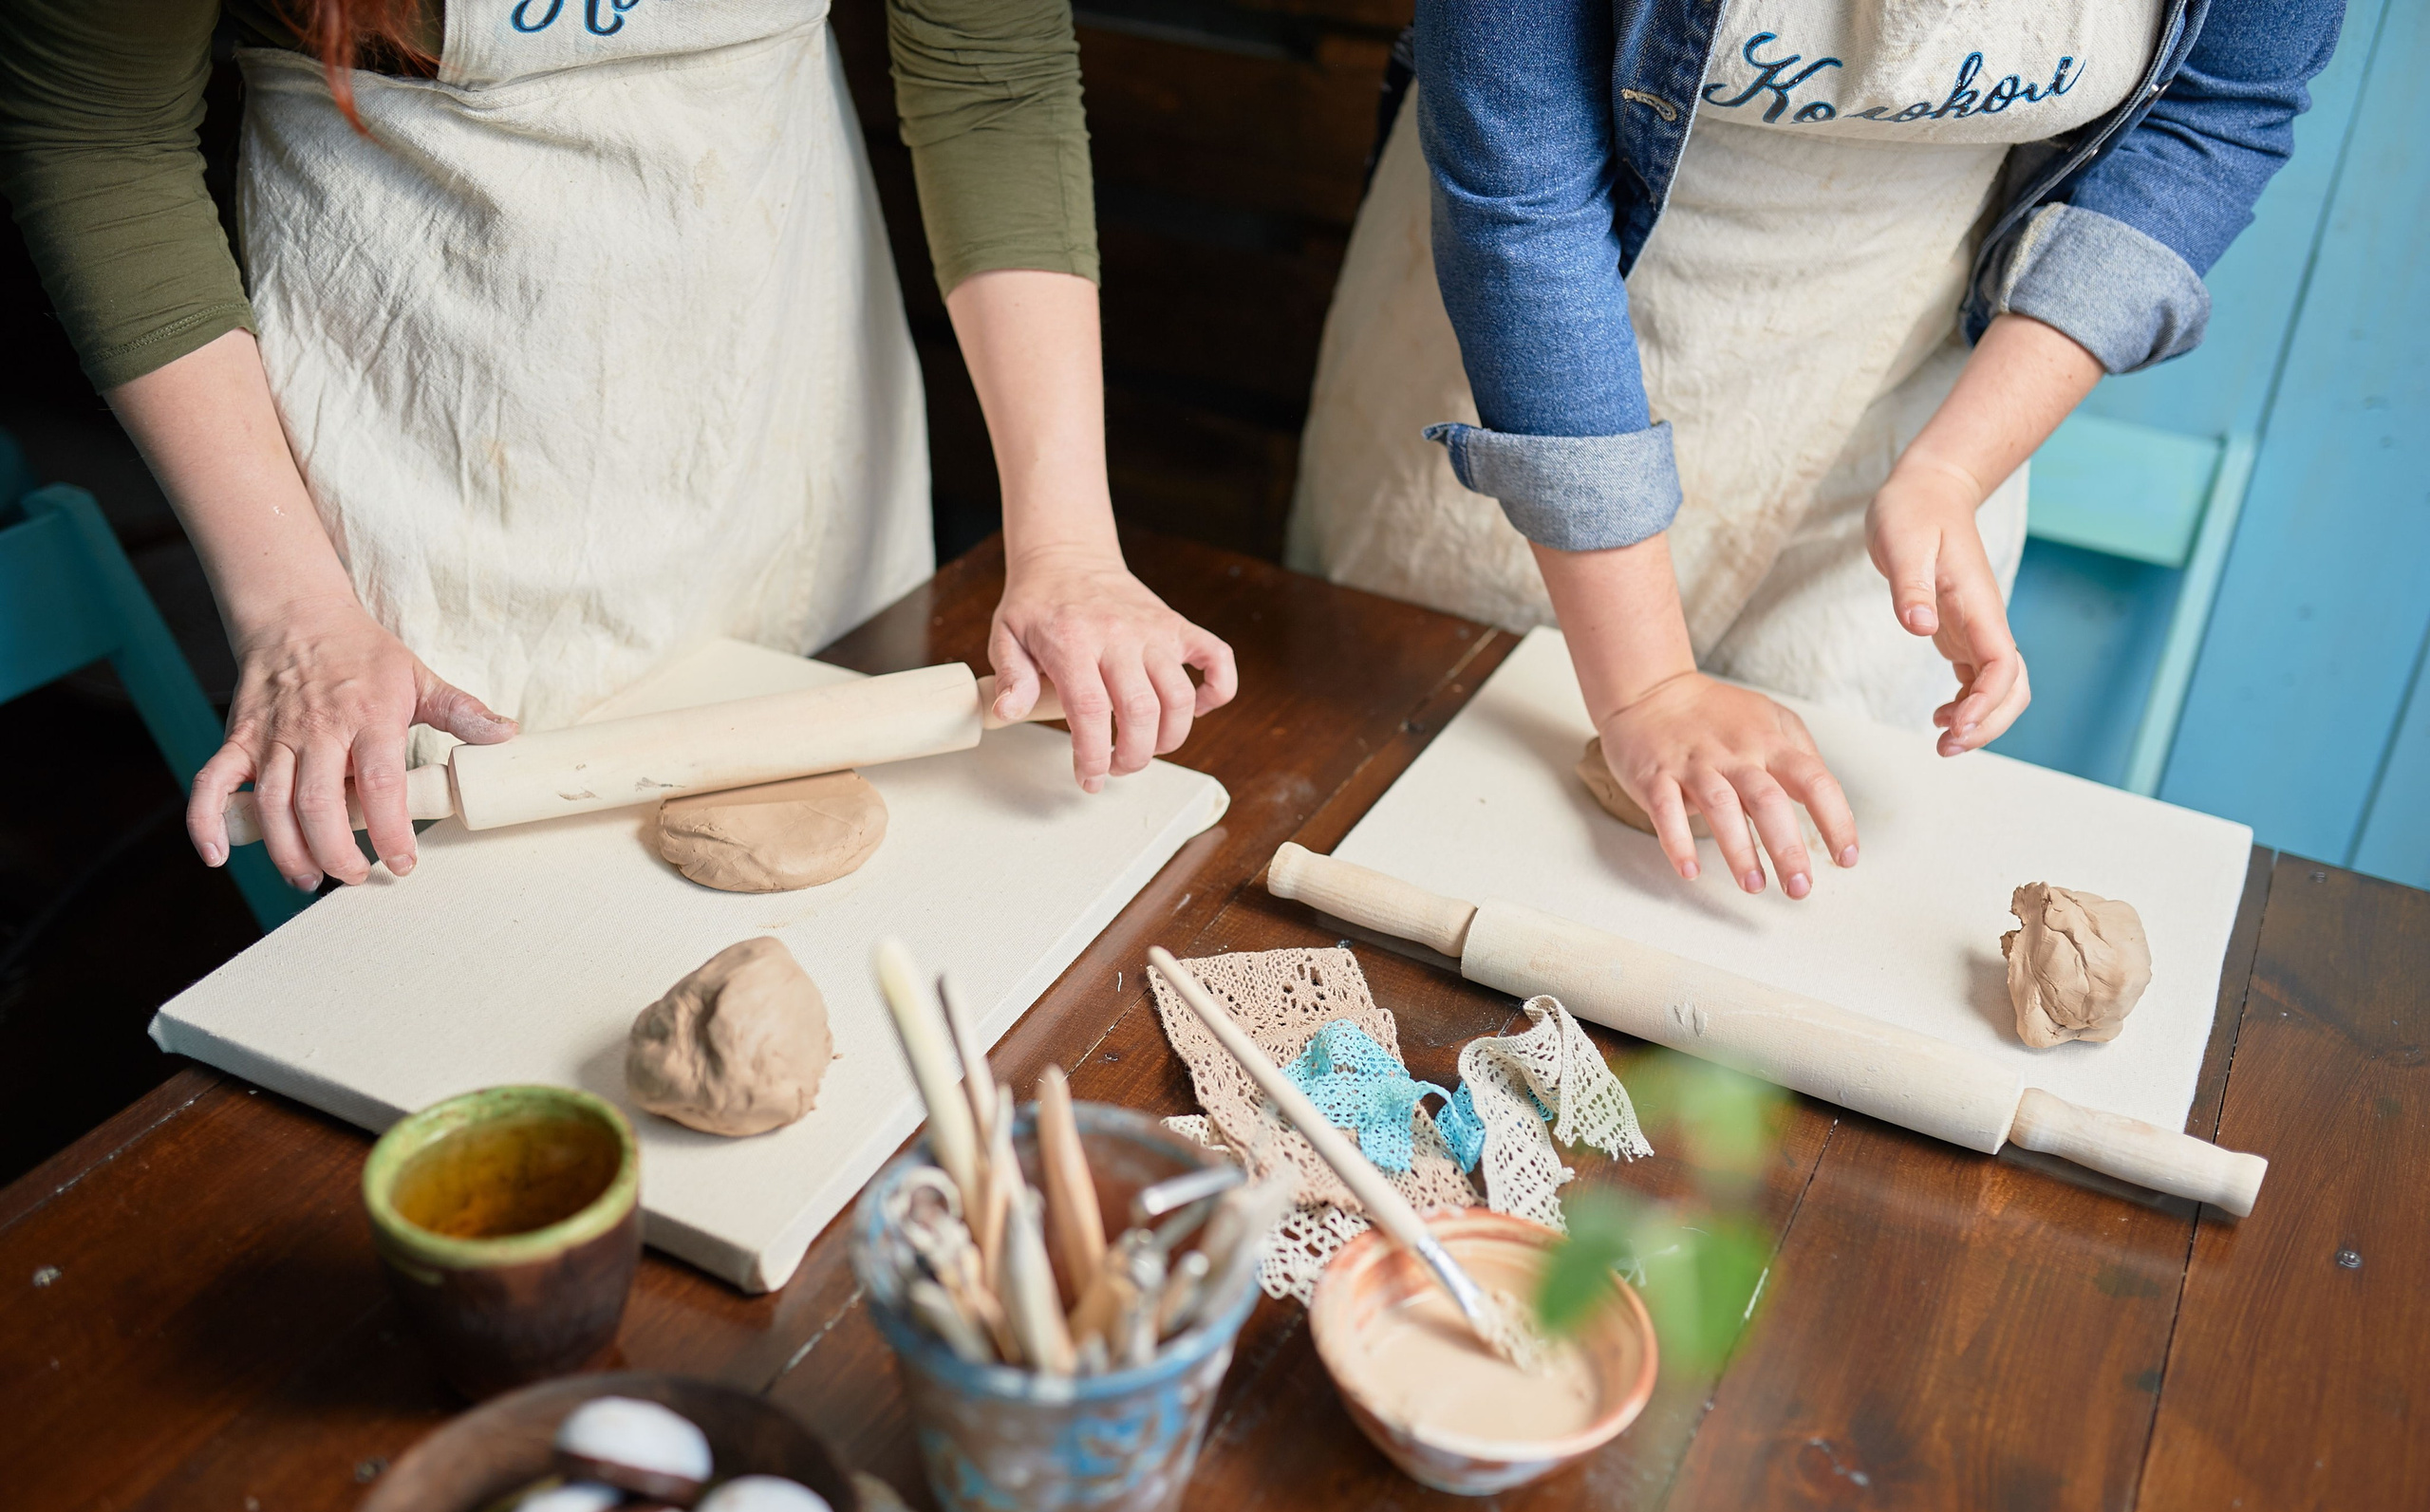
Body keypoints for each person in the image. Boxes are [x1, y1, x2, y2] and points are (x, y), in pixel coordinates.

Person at [0, 0, 1236, 891]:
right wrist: (293, 609)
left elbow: (992, 75)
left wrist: (1070, 541)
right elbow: (96, 130)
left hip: (776, 370)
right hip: (426, 395)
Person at [1289, 0, 2340, 900]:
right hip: (1527, 342)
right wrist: (1646, 686)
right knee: (1435, 830)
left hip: (1902, 396)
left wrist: (1952, 470)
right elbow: (1519, 186)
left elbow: (2218, 112)